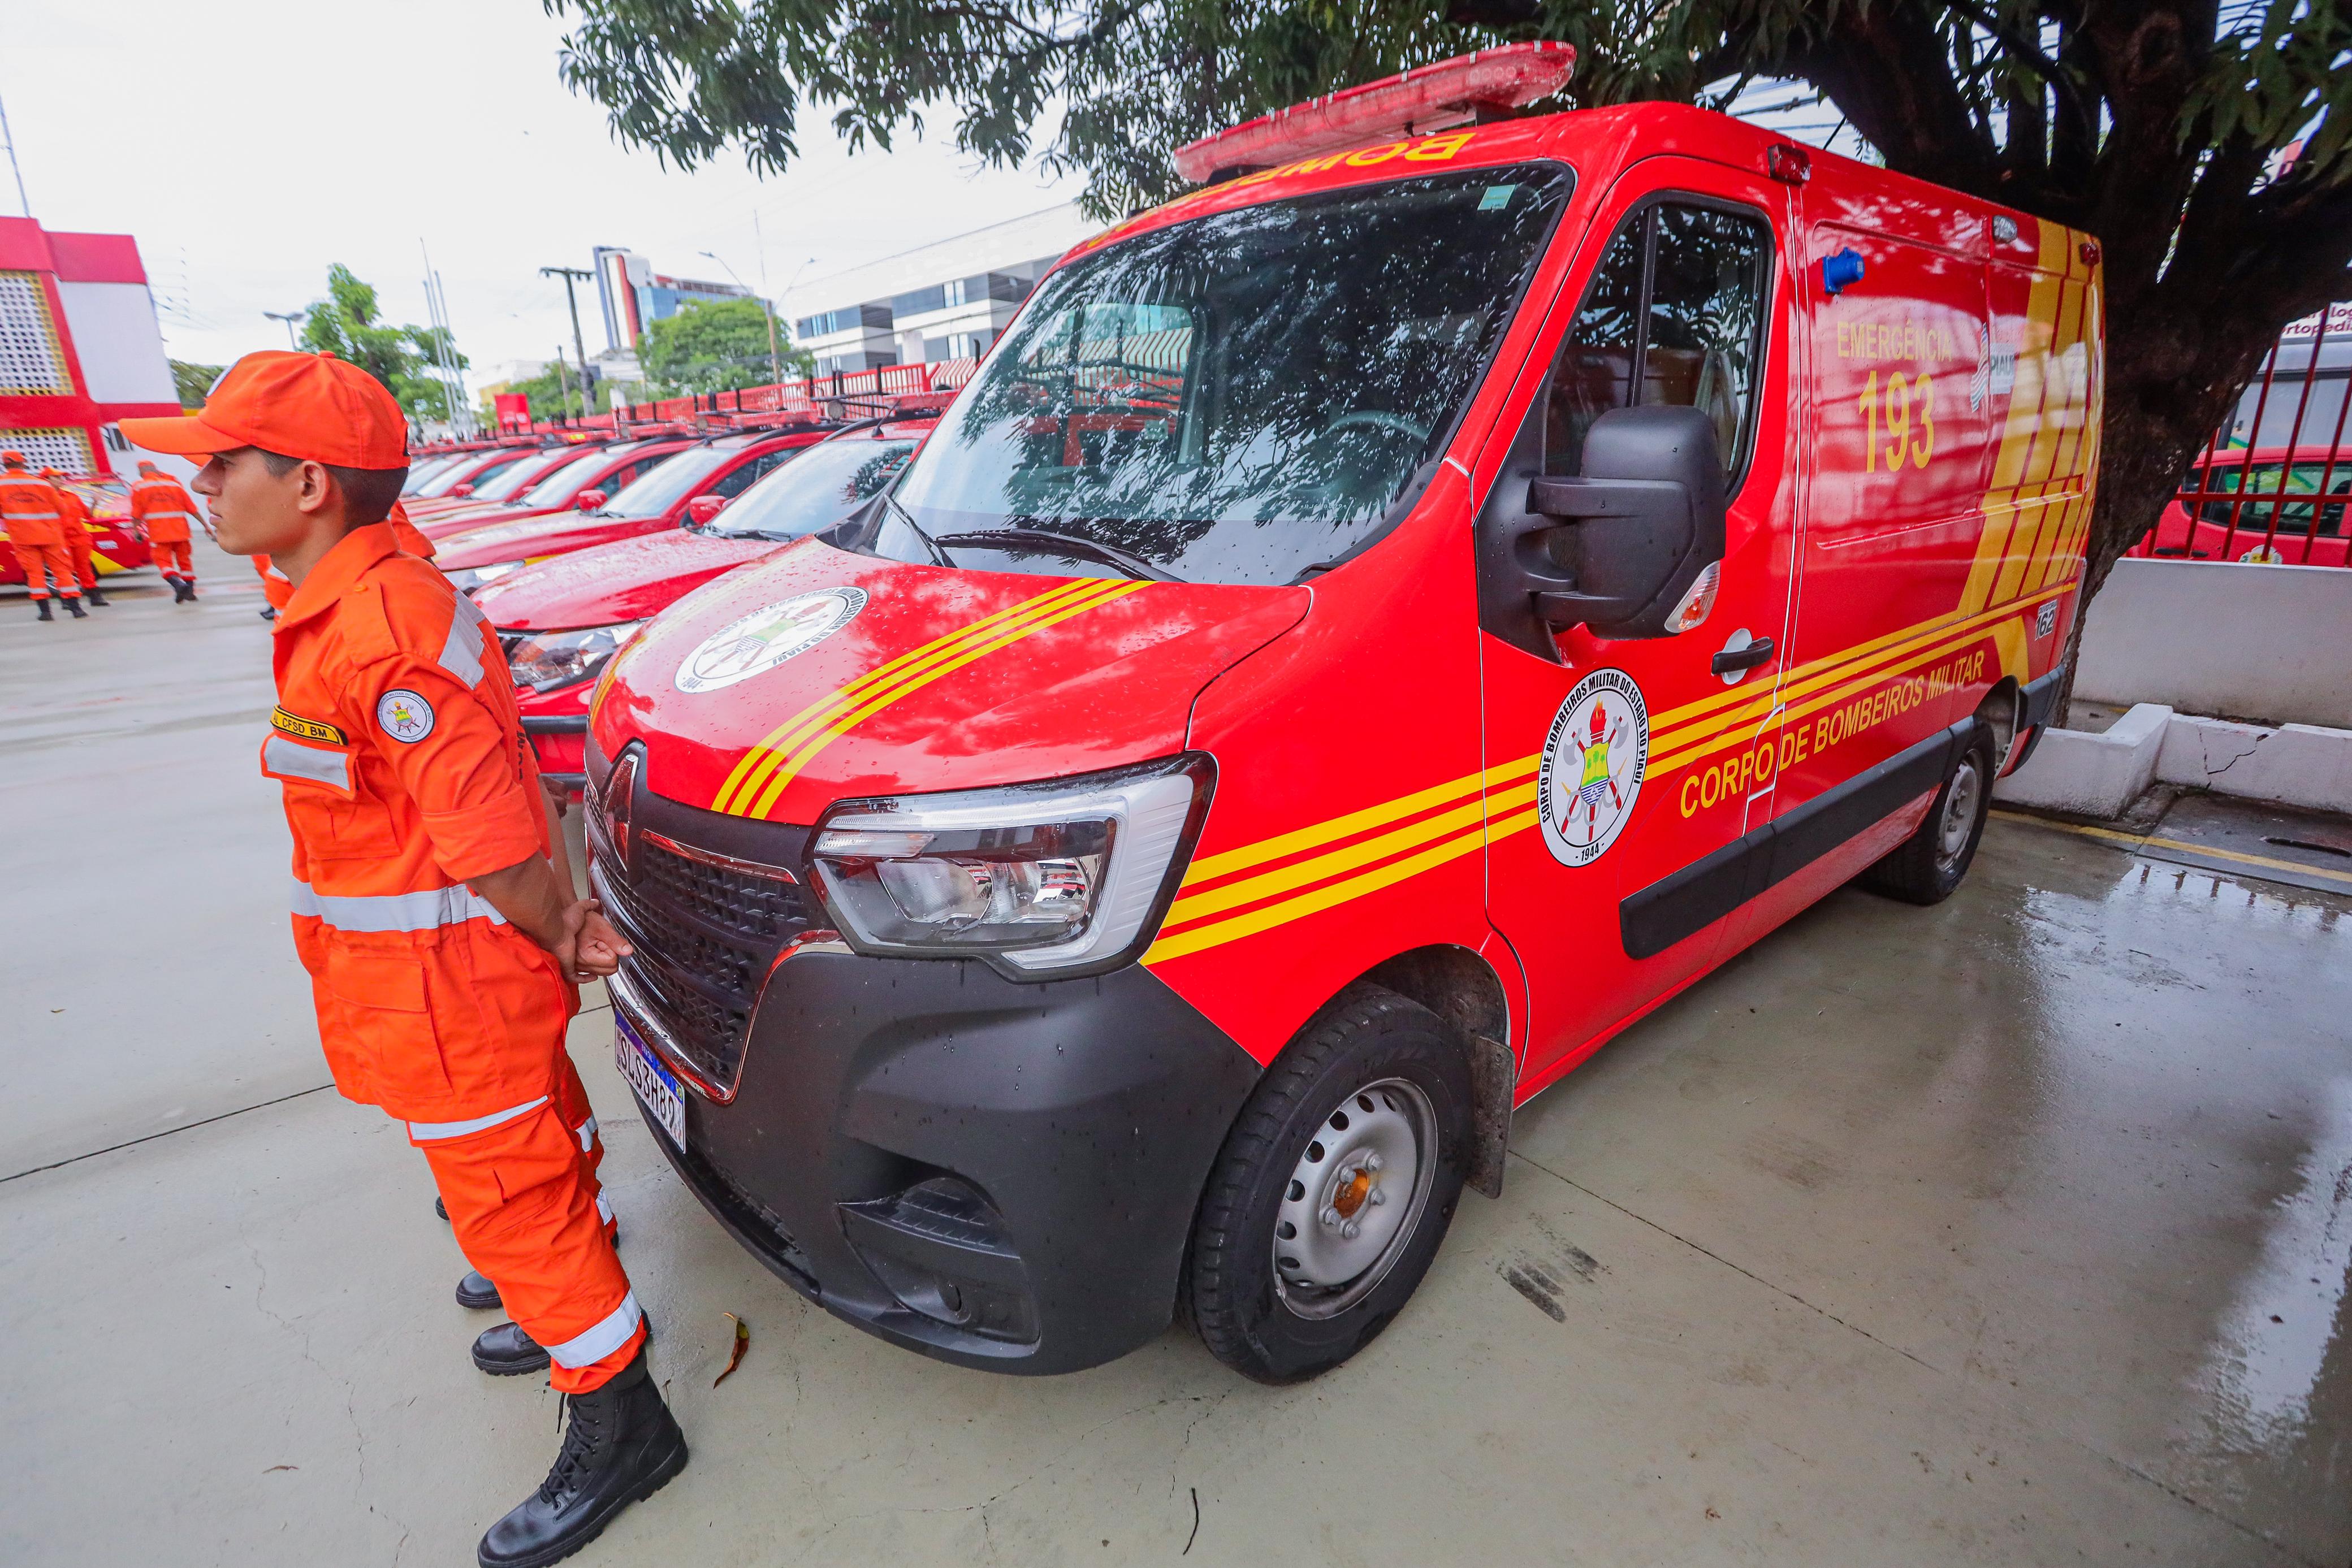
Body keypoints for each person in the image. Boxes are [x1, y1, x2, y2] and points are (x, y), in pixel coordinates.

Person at [121, 351, 688, 1568]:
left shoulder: (379, 628)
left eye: (221, 464)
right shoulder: (363, 581)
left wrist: (562, 923)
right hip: (434, 978)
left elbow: (486, 836)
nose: (201, 486)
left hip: (447, 991)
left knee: (509, 1198)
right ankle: (566, 1294)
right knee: (539, 1149)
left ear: (309, 481)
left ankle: (620, 1416)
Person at [0, 451, 85, 620]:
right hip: (51, 535)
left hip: (22, 537)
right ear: (24, 464)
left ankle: (45, 612)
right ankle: (76, 609)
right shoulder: (43, 485)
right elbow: (62, 510)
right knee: (62, 571)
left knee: (35, 574)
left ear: (5, 465)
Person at [128, 458, 205, 601]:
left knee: (163, 562)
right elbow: (192, 508)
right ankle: (190, 591)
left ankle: (178, 585)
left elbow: (136, 513)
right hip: (181, 532)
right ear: (155, 469)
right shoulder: (174, 485)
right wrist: (206, 526)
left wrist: (136, 530)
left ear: (141, 472)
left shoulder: (139, 487)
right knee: (185, 562)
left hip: (159, 533)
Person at [41, 468, 110, 607]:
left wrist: (95, 503)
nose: (61, 480)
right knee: (63, 570)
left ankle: (95, 597)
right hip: (58, 539)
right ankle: (67, 599)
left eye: (61, 477)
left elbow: (88, 515)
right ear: (47, 480)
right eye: (57, 477)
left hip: (79, 537)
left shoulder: (72, 497)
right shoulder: (42, 499)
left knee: (84, 568)